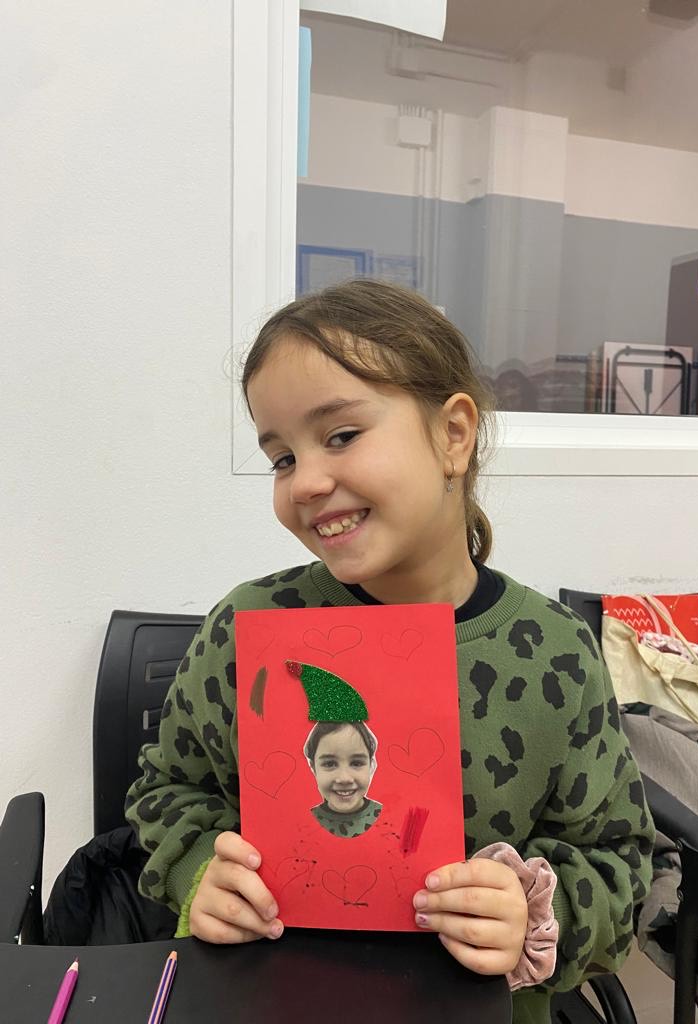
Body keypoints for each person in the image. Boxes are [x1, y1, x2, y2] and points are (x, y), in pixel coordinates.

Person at [126, 279, 653, 1023]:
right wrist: (199, 869)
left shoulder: (556, 655)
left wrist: (536, 912)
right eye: (281, 458)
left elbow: (622, 864)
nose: (306, 482)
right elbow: (163, 789)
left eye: (341, 435)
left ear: (454, 435)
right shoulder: (247, 628)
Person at [304, 721, 382, 838]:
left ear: (372, 765)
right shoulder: (302, 823)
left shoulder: (390, 817)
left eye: (356, 763)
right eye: (330, 764)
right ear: (313, 767)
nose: (344, 778)